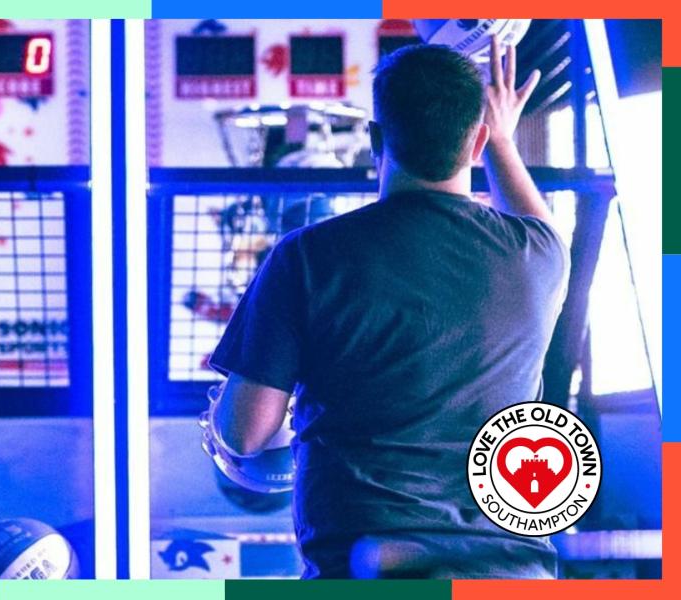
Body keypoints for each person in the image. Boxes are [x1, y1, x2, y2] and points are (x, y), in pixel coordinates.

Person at [206, 39, 569, 578]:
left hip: (367, 567)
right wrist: (502, 142)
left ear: (375, 140)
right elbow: (541, 224)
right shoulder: (538, 257)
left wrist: (220, 415)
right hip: (512, 573)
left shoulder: (307, 256)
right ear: (477, 144)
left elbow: (246, 434)